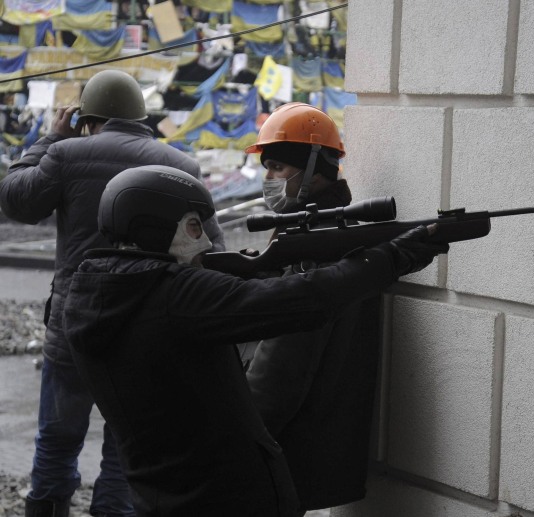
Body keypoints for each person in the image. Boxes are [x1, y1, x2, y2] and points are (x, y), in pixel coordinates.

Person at [62, 165, 447, 516]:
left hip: (161, 496)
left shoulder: (95, 294)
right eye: (193, 227)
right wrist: (394, 257)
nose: (205, 243)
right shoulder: (175, 296)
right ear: (155, 227)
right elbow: (302, 302)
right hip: (227, 501)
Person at [0, 69, 225, 517]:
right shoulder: (182, 168)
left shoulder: (65, 154)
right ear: (142, 118)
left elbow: (15, 199)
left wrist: (49, 139)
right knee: (127, 446)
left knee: (57, 439)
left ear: (89, 118)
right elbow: (212, 252)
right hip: (146, 324)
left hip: (74, 321)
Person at [240, 102, 385, 513]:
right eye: (267, 168)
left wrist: (243, 439)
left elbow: (282, 366)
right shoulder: (311, 233)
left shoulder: (319, 246)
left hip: (285, 444)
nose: (267, 179)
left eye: (278, 169)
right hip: (298, 442)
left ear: (314, 172)